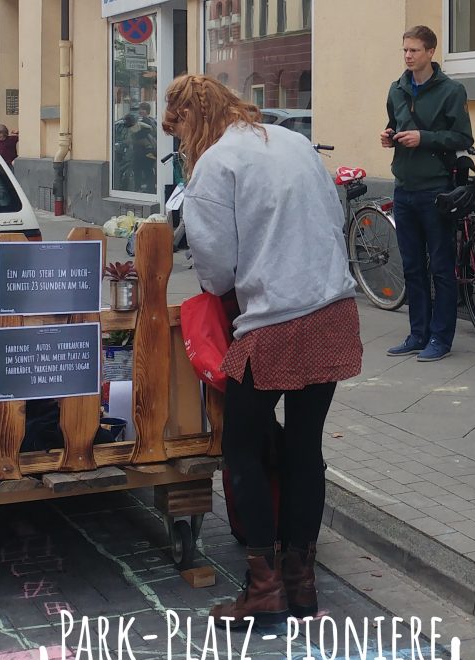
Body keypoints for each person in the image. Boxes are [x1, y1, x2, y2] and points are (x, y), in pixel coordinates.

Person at [164, 73, 362, 627]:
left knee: (241, 447)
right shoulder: (294, 142)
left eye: (179, 132)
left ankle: (264, 588)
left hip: (274, 317)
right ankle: (302, 583)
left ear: (191, 121)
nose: (181, 146)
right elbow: (334, 217)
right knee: (304, 446)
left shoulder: (214, 166)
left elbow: (216, 268)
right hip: (332, 306)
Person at [382, 25, 473, 362]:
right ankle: (417, 334)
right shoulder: (397, 88)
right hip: (404, 189)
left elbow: (463, 138)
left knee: (440, 267)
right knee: (411, 267)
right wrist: (389, 136)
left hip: (436, 190)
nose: (408, 56)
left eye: (414, 50)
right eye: (405, 50)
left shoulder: (452, 91)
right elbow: (395, 125)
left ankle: (441, 338)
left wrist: (426, 138)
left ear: (430, 52)